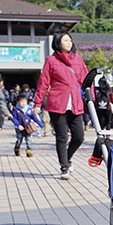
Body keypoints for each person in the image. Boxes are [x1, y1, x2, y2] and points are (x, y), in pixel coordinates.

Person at [34, 32, 88, 180]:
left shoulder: (78, 59)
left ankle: (68, 157)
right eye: (65, 40)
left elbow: (86, 81)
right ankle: (64, 167)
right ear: (58, 43)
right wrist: (37, 103)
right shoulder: (51, 60)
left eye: (70, 40)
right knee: (61, 137)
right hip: (57, 104)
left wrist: (91, 99)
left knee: (79, 137)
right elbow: (43, 83)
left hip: (76, 104)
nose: (69, 43)